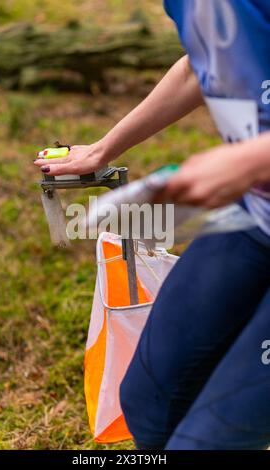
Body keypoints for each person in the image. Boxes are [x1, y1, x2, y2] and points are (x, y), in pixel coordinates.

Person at [34, 0, 270, 450]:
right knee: (149, 402)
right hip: (257, 217)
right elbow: (196, 67)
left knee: (205, 440)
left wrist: (250, 158)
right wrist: (104, 148)